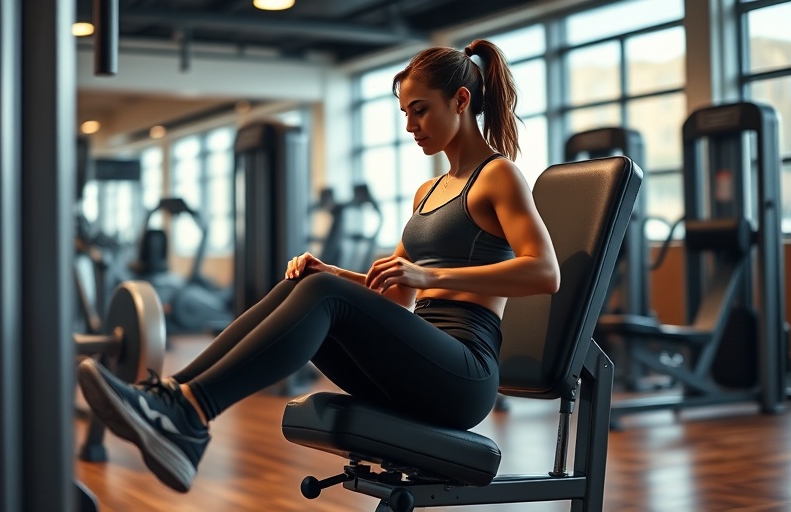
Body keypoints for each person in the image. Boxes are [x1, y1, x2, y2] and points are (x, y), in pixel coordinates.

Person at [77, 38, 560, 494]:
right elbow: (393, 294)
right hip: (421, 358)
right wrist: (332, 273)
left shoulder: (498, 175)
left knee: (323, 293)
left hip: (464, 374)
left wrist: (430, 276)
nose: (411, 126)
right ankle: (175, 399)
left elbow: (544, 272)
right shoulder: (427, 192)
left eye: (420, 111)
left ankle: (188, 411)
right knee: (307, 284)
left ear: (459, 101)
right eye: (404, 114)